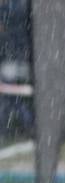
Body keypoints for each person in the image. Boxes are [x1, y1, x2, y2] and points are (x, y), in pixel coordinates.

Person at [0, 0, 31, 143]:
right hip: (23, 58)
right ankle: (27, 125)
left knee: (9, 97)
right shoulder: (24, 7)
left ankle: (26, 124)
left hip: (11, 60)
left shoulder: (7, 8)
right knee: (12, 97)